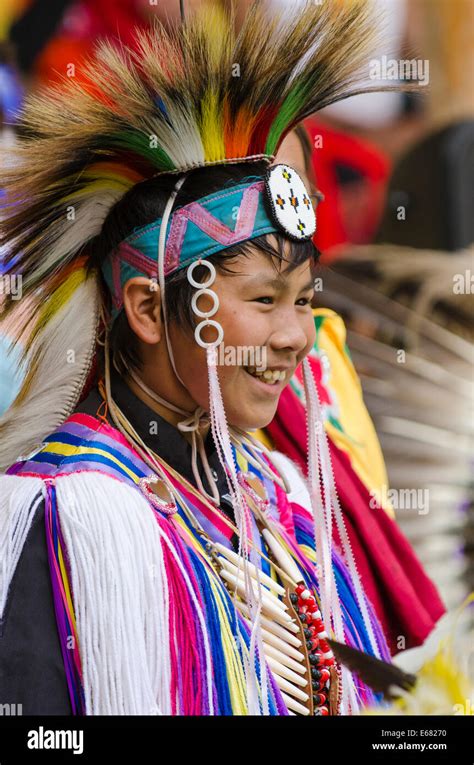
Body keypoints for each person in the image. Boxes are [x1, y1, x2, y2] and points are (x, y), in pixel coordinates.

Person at [0, 1, 438, 716]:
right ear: (146, 309)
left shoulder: (289, 499)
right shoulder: (66, 515)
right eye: (265, 301)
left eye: (303, 299)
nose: (299, 334)